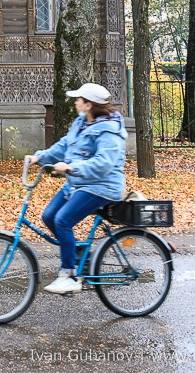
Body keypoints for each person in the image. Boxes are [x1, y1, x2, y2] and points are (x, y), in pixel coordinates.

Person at [29, 82, 127, 295]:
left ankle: (70, 275)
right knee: (49, 216)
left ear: (89, 105)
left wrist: (71, 167)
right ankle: (80, 252)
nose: (75, 102)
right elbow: (65, 145)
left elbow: (104, 163)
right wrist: (40, 157)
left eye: (79, 99)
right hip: (79, 183)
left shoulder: (109, 129)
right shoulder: (81, 123)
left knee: (62, 220)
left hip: (102, 186)